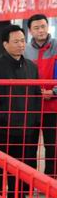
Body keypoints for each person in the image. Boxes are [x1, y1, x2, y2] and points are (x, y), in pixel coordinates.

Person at [0, 24, 42, 198]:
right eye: (16, 41)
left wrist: (34, 122)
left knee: (21, 171)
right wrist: (1, 118)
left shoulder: (31, 67)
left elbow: (36, 97)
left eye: (23, 40)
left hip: (26, 129)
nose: (21, 45)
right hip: (2, 129)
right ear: (5, 44)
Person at [24, 14, 57, 177]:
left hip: (53, 107)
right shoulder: (24, 50)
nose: (41, 30)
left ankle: (51, 180)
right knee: (29, 146)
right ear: (30, 31)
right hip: (32, 107)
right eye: (36, 28)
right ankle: (29, 180)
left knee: (53, 147)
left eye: (43, 26)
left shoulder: (56, 46)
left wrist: (54, 91)